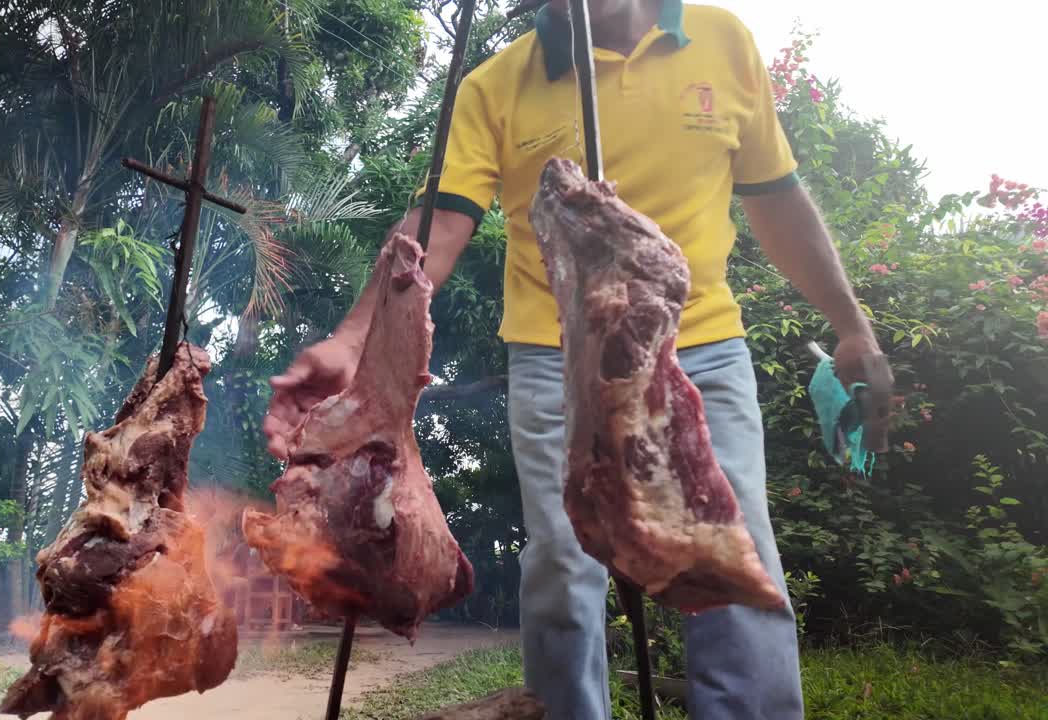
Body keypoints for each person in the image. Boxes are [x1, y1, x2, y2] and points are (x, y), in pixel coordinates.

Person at [263, 0, 895, 717]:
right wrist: (354, 340)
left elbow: (778, 202)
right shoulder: (497, 83)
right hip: (553, 357)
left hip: (702, 346)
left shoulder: (723, 42)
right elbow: (440, 219)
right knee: (563, 565)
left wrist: (851, 325)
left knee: (734, 559)